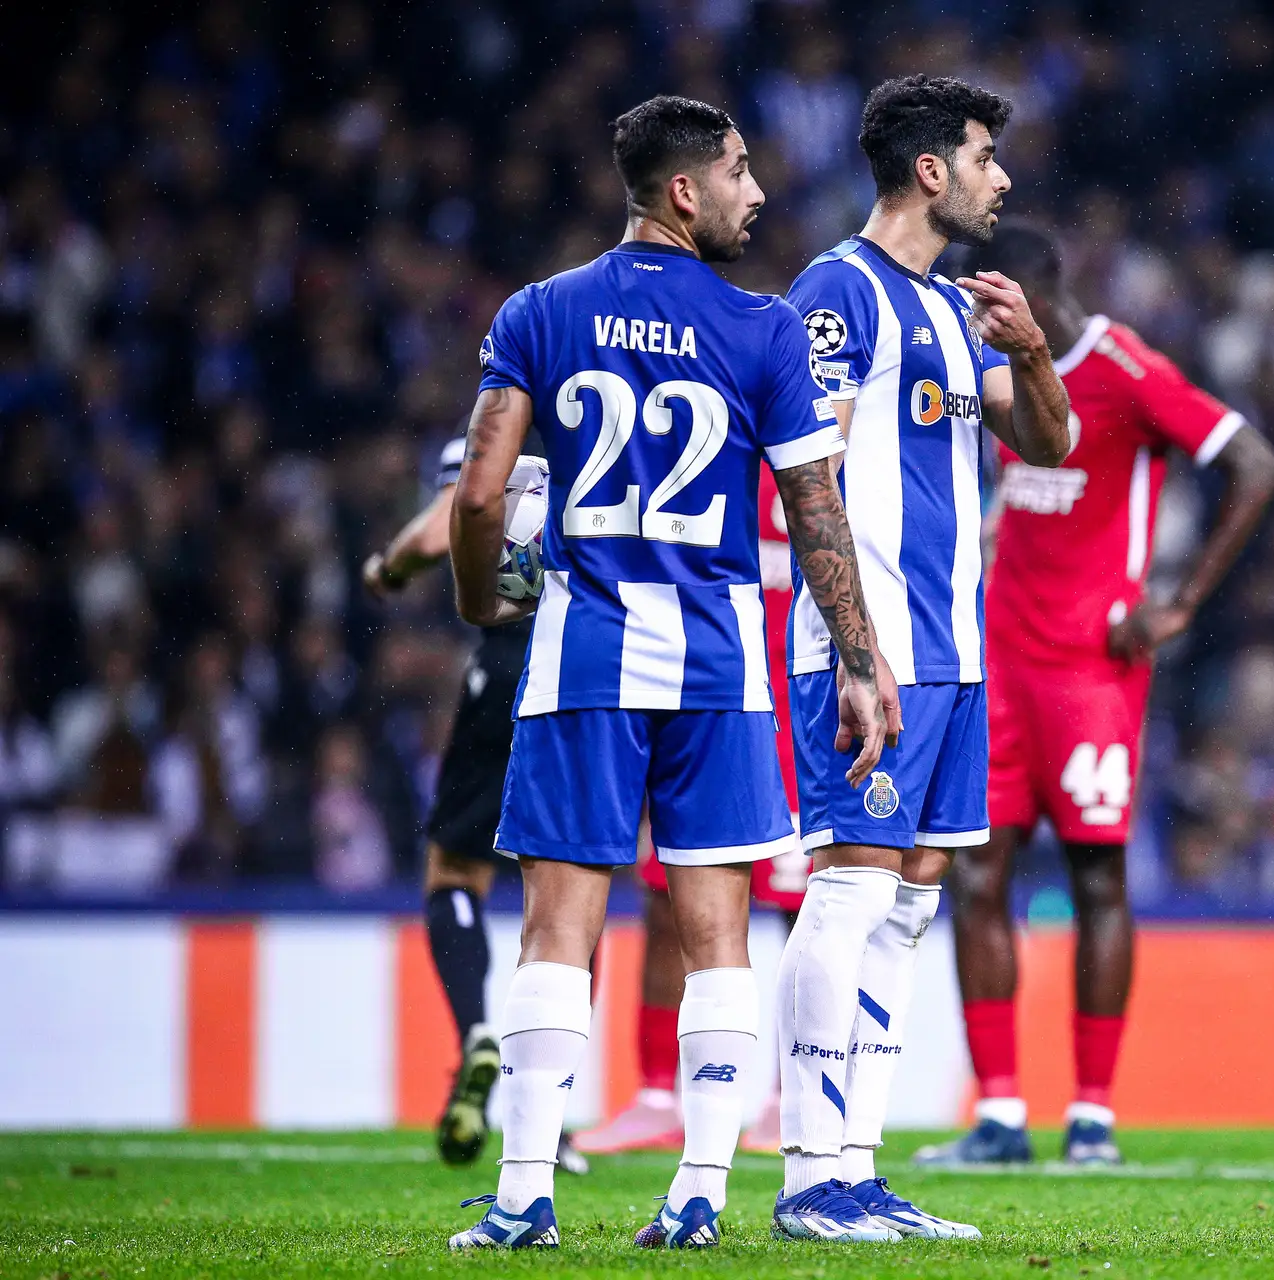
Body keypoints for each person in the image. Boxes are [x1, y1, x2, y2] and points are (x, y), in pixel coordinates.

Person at [443, 95, 894, 1252]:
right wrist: (858, 657)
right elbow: (814, 505)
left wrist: (478, 600)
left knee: (557, 927)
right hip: (717, 656)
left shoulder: (539, 311)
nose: (757, 192)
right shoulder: (763, 330)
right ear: (684, 190)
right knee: (716, 930)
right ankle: (698, 1189)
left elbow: (482, 494)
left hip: (581, 649)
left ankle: (523, 1196)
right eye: (740, 172)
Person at [771, 75, 1071, 1243]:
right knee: (847, 893)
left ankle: (857, 1167)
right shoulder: (835, 295)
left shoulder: (953, 308)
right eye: (986, 157)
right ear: (931, 171)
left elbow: (1048, 443)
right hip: (868, 653)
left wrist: (1036, 351)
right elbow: (815, 483)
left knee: (907, 908)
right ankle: (806, 1177)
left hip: (955, 655)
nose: (1003, 179)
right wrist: (856, 651)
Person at [913, 223, 1274, 1168]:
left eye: (976, 306)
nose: (964, 323)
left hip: (1090, 674)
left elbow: (1256, 463)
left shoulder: (1124, 366)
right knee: (979, 876)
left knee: (1095, 879)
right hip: (995, 665)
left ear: (1019, 299)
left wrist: (1180, 603)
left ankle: (1092, 1119)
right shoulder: (984, 382)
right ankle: (999, 1115)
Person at [361, 438, 592, 1178]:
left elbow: (446, 521)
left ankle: (478, 1034)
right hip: (596, 673)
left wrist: (387, 567)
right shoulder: (590, 446)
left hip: (510, 662)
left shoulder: (499, 448)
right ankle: (550, 1113)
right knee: (570, 895)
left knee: (454, 874)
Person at [575, 466, 808, 1157]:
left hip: (799, 708)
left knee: (805, 909)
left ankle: (789, 1096)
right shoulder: (708, 454)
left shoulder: (821, 454)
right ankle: (656, 1096)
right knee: (663, 893)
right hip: (705, 694)